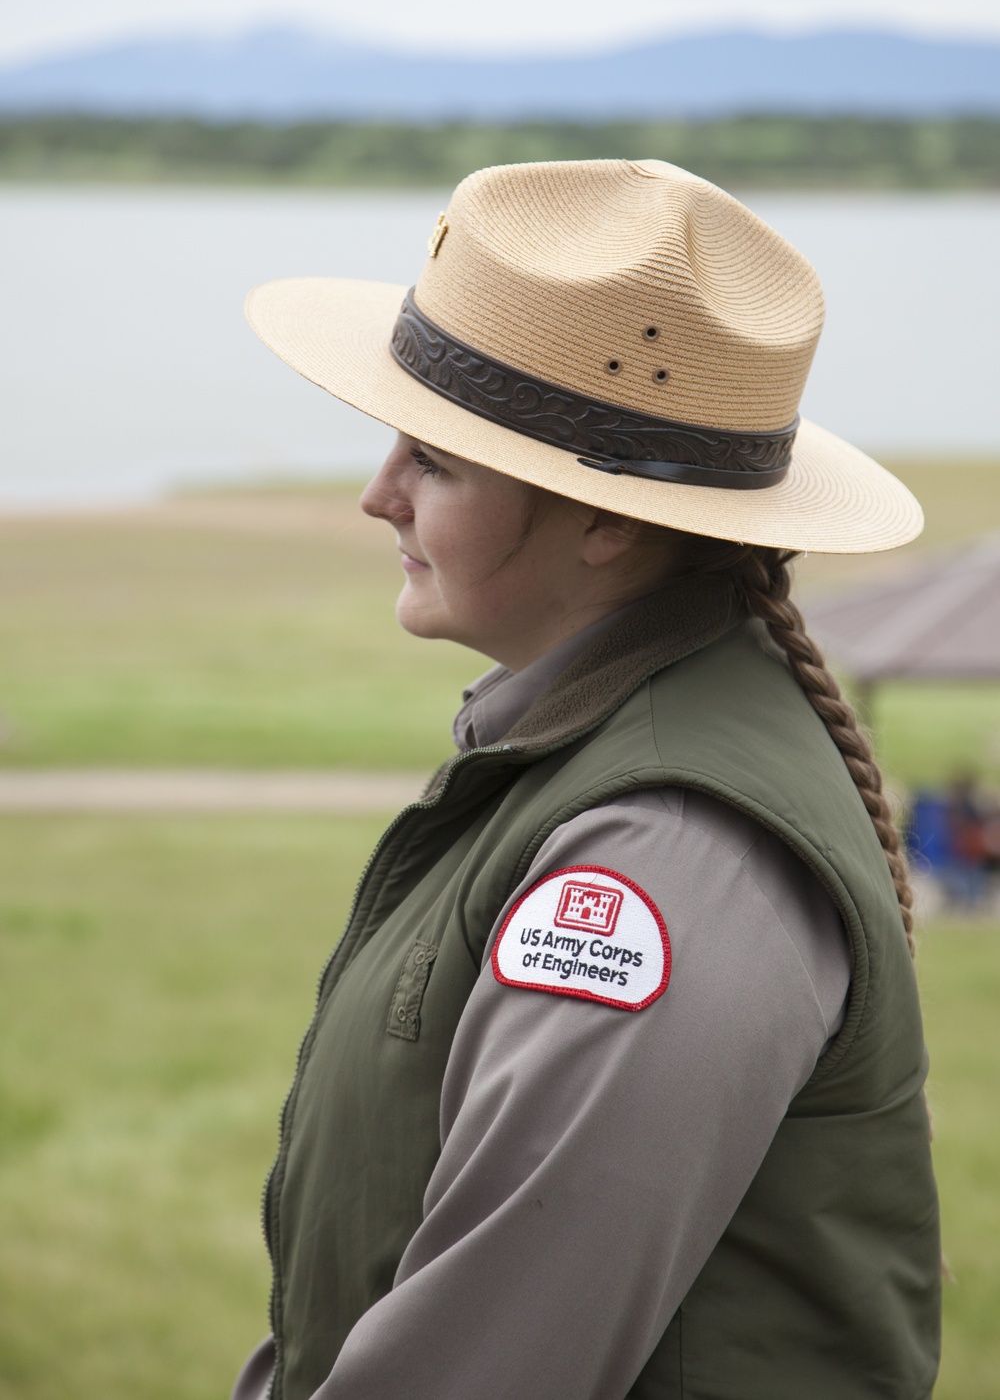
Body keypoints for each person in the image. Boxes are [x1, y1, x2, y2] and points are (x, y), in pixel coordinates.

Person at [232, 159, 940, 1400]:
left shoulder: (663, 855)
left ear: (603, 519)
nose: (375, 492)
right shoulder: (606, 747)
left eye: (435, 462)